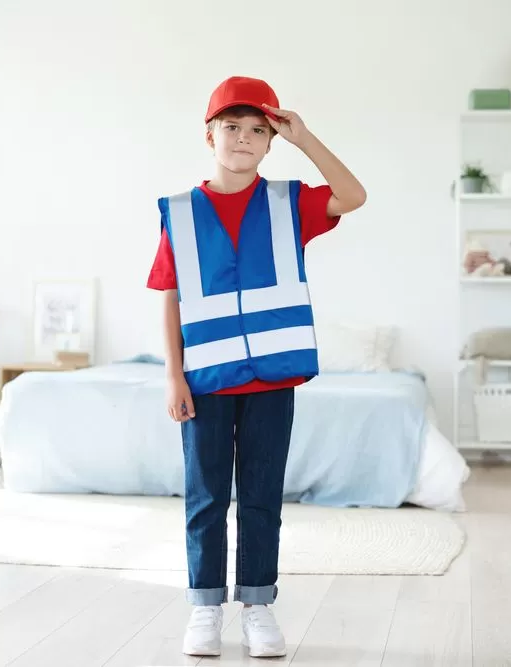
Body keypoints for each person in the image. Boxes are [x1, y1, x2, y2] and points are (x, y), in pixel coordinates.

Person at [146, 75, 366, 658]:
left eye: (257, 130)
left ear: (271, 141)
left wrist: (305, 137)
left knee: (262, 495)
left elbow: (353, 195)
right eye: (232, 127)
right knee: (206, 496)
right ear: (209, 135)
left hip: (274, 375)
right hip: (206, 379)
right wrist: (173, 375)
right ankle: (205, 607)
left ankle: (258, 606)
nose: (243, 138)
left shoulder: (290, 203)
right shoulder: (180, 213)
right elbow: (170, 295)